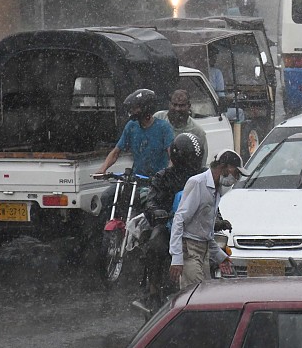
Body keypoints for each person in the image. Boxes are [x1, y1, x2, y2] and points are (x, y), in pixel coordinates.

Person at [138, 132, 205, 311]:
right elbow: (150, 202)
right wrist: (156, 212)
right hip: (169, 228)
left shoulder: (204, 177)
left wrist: (219, 219)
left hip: (198, 229)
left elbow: (212, 201)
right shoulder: (162, 177)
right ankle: (153, 292)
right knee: (155, 245)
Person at [169, 149, 247, 289]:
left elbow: (205, 232)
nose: (236, 178)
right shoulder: (197, 183)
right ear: (223, 167)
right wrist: (177, 257)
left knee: (204, 294)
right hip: (190, 251)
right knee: (195, 294)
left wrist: (220, 257)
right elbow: (179, 220)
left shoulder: (217, 190)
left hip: (203, 252)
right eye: (235, 173)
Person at [95, 89, 175, 217]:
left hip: (155, 183)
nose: (131, 111)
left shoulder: (164, 128)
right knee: (107, 197)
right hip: (134, 180)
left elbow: (173, 157)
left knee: (141, 204)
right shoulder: (131, 126)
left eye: (135, 107)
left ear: (146, 108)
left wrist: (164, 177)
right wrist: (103, 169)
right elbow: (116, 152)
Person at [153, 89, 207, 166]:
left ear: (189, 106)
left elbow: (201, 164)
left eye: (181, 105)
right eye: (174, 105)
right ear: (169, 104)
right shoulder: (158, 118)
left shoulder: (197, 131)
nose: (177, 109)